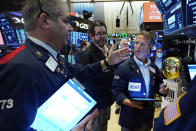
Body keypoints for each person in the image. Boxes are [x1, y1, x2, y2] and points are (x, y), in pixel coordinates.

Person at [0, 0, 130, 130]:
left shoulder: (50, 56)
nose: (71, 28)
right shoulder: (20, 66)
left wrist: (107, 62)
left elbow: (80, 72)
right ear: (45, 21)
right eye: (66, 21)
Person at [112, 31, 169, 131]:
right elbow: (116, 91)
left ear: (150, 47)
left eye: (142, 44)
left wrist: (163, 90)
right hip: (129, 118)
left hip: (146, 118)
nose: (137, 47)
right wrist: (130, 103)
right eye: (136, 43)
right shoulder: (124, 67)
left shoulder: (153, 67)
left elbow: (158, 85)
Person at [79, 20, 119, 131]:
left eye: (104, 33)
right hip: (95, 107)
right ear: (92, 36)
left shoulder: (106, 52)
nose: (102, 36)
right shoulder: (88, 55)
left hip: (106, 102)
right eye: (99, 34)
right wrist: (91, 109)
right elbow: (82, 82)